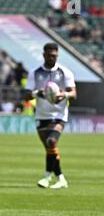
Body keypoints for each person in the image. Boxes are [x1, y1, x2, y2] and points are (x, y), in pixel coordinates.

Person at [23, 43, 77, 188]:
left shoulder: (65, 72)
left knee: (52, 141)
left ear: (57, 55)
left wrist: (63, 94)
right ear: (44, 55)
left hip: (59, 115)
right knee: (50, 149)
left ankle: (48, 178)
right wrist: (36, 93)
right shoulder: (34, 73)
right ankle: (59, 178)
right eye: (49, 55)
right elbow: (26, 95)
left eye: (54, 55)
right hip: (41, 115)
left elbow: (73, 93)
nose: (52, 58)